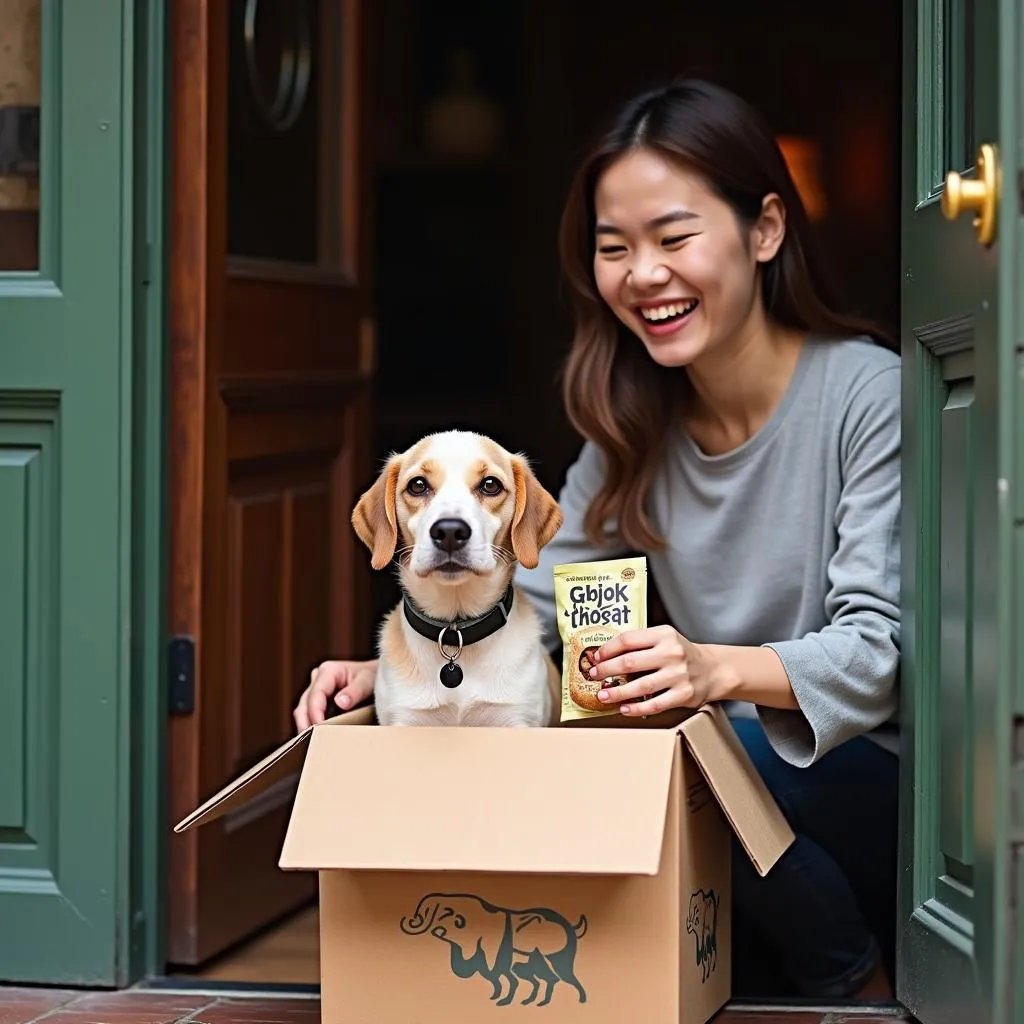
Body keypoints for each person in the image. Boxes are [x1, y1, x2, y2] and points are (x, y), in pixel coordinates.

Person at [293, 79, 901, 1002]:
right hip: (723, 766)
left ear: (766, 230)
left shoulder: (869, 394)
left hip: (858, 774)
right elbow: (528, 606)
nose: (642, 274)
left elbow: (876, 654)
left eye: (673, 237)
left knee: (674, 743)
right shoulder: (630, 425)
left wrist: (711, 671)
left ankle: (847, 973)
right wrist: (402, 669)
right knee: (628, 735)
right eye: (614, 248)